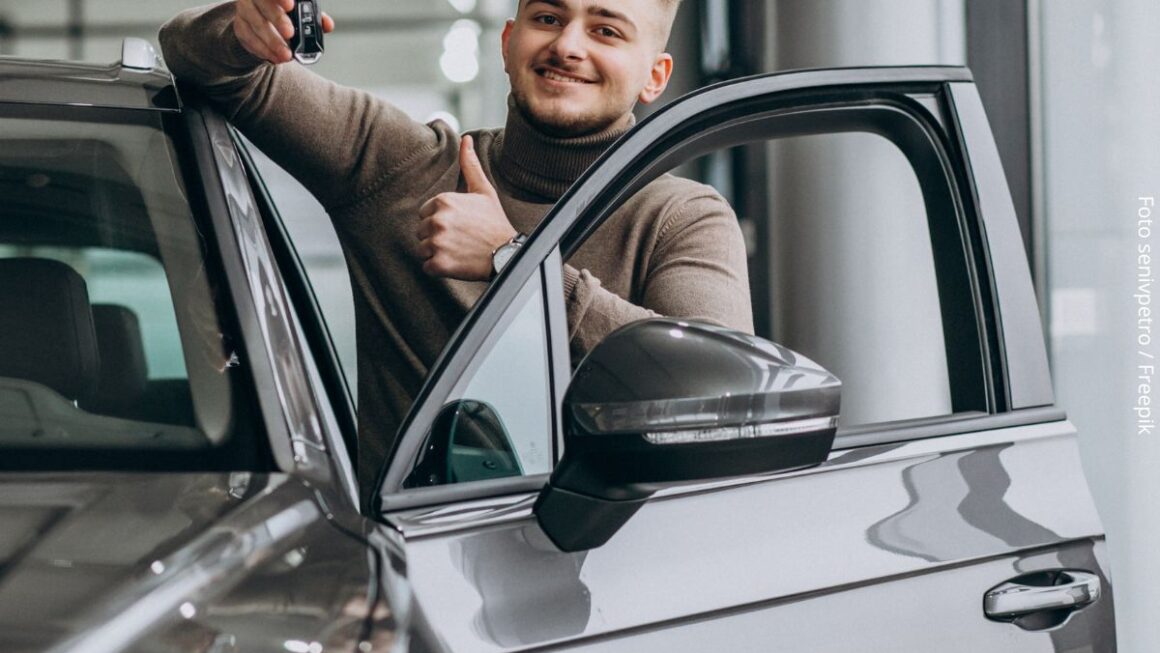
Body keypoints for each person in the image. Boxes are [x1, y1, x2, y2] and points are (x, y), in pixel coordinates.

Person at [159, 0, 753, 507]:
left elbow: (720, 392)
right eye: (547, 16)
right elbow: (202, 61)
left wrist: (511, 262)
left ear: (656, 74)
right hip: (417, 582)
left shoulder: (683, 217)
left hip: (610, 591)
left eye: (606, 30)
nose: (568, 45)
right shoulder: (401, 168)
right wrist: (244, 27)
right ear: (509, 40)